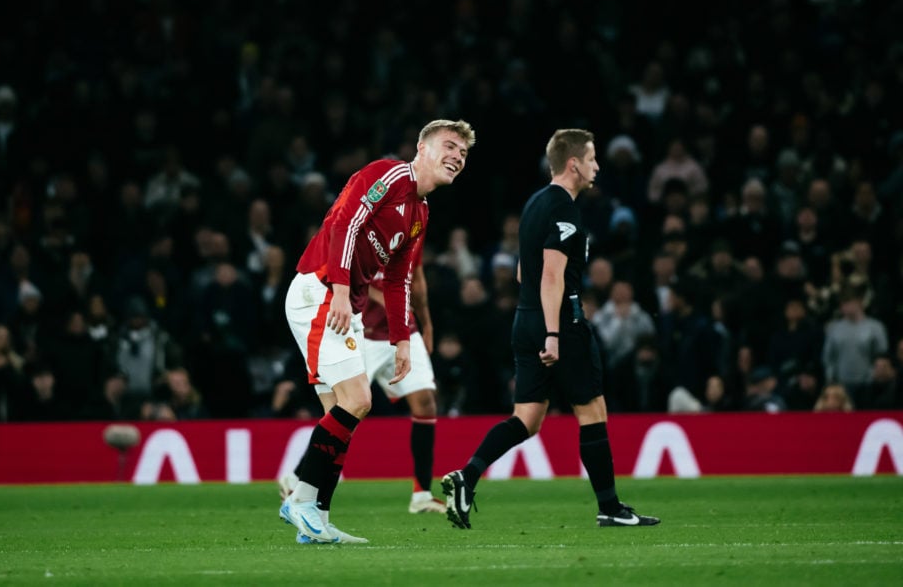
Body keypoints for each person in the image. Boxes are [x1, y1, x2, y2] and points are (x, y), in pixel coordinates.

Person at [441, 128, 659, 530]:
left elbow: (526, 271)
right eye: (592, 158)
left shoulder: (534, 204)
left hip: (524, 319)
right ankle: (610, 507)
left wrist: (540, 323)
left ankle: (467, 476)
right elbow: (551, 278)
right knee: (592, 409)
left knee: (526, 417)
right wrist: (555, 333)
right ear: (574, 163)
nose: (597, 166)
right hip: (559, 322)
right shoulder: (565, 209)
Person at [279, 119, 475, 544]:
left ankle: (317, 517)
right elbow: (344, 224)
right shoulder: (387, 175)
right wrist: (342, 293)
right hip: (320, 290)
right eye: (450, 146)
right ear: (422, 148)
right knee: (358, 400)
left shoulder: (420, 212)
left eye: (463, 154)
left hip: (339, 299)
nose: (457, 157)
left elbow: (399, 278)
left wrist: (403, 340)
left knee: (341, 413)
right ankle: (298, 501)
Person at [279, 265, 446, 514]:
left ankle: (422, 493)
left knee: (426, 402)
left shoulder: (414, 230)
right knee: (347, 408)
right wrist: (391, 301)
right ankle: (298, 478)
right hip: (363, 334)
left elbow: (417, 279)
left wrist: (427, 322)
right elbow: (352, 278)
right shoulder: (367, 231)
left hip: (402, 332)